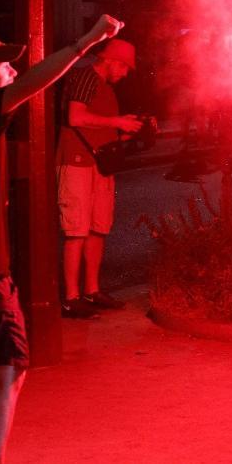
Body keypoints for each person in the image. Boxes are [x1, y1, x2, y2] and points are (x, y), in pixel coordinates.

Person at [0, 15, 123, 464]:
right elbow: (37, 80)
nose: (11, 69)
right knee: (11, 371)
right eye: (1, 64)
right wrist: (86, 41)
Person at [55, 39, 141, 318]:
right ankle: (70, 297)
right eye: (125, 68)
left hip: (99, 164)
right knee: (77, 229)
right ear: (112, 61)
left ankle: (92, 290)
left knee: (97, 227)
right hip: (77, 162)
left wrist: (126, 132)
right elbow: (76, 117)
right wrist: (117, 123)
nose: (125, 74)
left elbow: (98, 125)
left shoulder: (106, 88)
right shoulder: (84, 77)